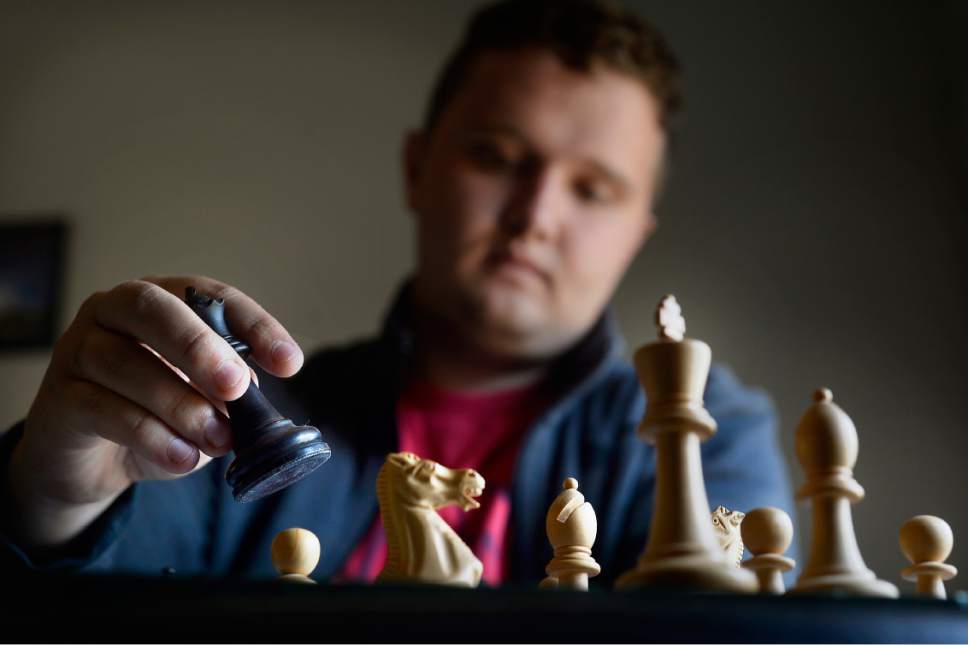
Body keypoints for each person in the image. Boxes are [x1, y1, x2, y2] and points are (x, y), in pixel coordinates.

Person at [0, 0, 794, 585]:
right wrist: (50, 506)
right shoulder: (223, 420)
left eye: (593, 189)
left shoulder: (714, 437)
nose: (535, 215)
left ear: (637, 231)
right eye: (496, 156)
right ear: (418, 168)